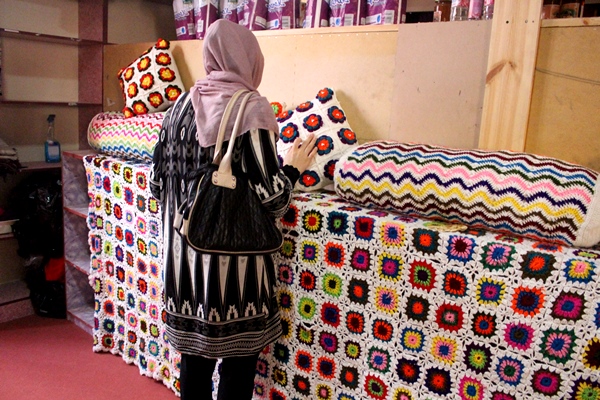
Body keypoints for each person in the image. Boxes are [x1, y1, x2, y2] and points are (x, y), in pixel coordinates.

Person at [150, 19, 317, 400]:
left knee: (193, 369)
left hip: (182, 270)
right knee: (237, 370)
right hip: (232, 277)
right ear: (249, 59)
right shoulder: (249, 108)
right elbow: (273, 199)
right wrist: (294, 167)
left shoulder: (177, 108)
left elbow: (158, 186)